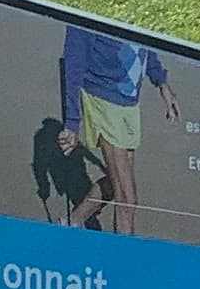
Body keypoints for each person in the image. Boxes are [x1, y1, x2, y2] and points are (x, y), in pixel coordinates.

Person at [56, 25, 177, 236]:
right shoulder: (87, 14)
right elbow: (74, 63)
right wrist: (72, 123)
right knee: (127, 198)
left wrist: (162, 83)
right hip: (103, 99)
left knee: (116, 184)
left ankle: (74, 222)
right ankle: (123, 255)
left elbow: (143, 43)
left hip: (129, 103)